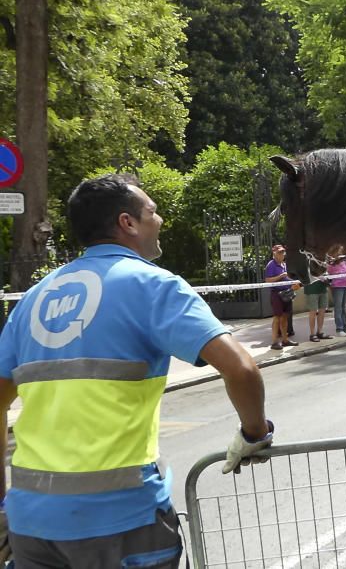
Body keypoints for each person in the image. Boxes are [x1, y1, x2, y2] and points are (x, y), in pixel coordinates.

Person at [0, 174, 272, 568]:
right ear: (127, 223)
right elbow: (242, 369)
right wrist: (254, 433)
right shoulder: (154, 286)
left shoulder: (33, 300)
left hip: (33, 526)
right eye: (153, 212)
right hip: (123, 522)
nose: (159, 220)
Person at [264, 245, 300, 350]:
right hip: (277, 294)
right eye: (280, 252)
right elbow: (268, 280)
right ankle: (274, 342)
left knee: (285, 317)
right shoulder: (271, 265)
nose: (282, 254)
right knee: (277, 317)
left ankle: (285, 340)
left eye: (283, 252)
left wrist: (294, 284)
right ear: (274, 253)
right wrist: (281, 276)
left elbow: (288, 278)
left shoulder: (284, 264)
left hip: (287, 293)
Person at [327, 256, 346, 337]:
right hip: (337, 286)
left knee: (343, 307)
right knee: (338, 308)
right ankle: (339, 329)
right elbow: (329, 273)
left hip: (345, 285)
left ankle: (345, 327)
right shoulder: (331, 263)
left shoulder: (343, 262)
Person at [303, 275, 331, 342]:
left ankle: (320, 332)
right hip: (311, 289)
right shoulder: (306, 264)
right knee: (313, 312)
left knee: (322, 311)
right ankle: (312, 334)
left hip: (323, 288)